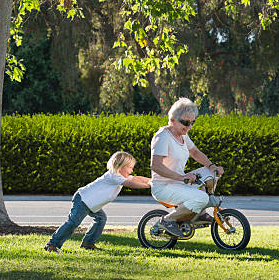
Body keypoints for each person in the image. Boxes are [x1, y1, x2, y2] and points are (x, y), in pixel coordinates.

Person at [44, 151, 150, 252]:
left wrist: (152, 180)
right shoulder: (113, 176)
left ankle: (88, 243)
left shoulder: (120, 176)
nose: (131, 171)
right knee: (73, 223)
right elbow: (131, 183)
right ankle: (52, 244)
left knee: (100, 219)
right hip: (83, 200)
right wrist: (149, 185)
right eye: (130, 167)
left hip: (92, 204)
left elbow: (136, 178)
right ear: (121, 166)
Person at [150, 97, 224, 237]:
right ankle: (168, 220)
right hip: (163, 187)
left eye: (192, 122)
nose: (189, 126)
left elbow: (195, 152)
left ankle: (201, 213)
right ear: (172, 120)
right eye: (185, 122)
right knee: (201, 198)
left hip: (178, 182)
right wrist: (182, 177)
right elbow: (156, 166)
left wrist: (211, 165)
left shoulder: (183, 135)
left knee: (210, 174)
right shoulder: (162, 136)